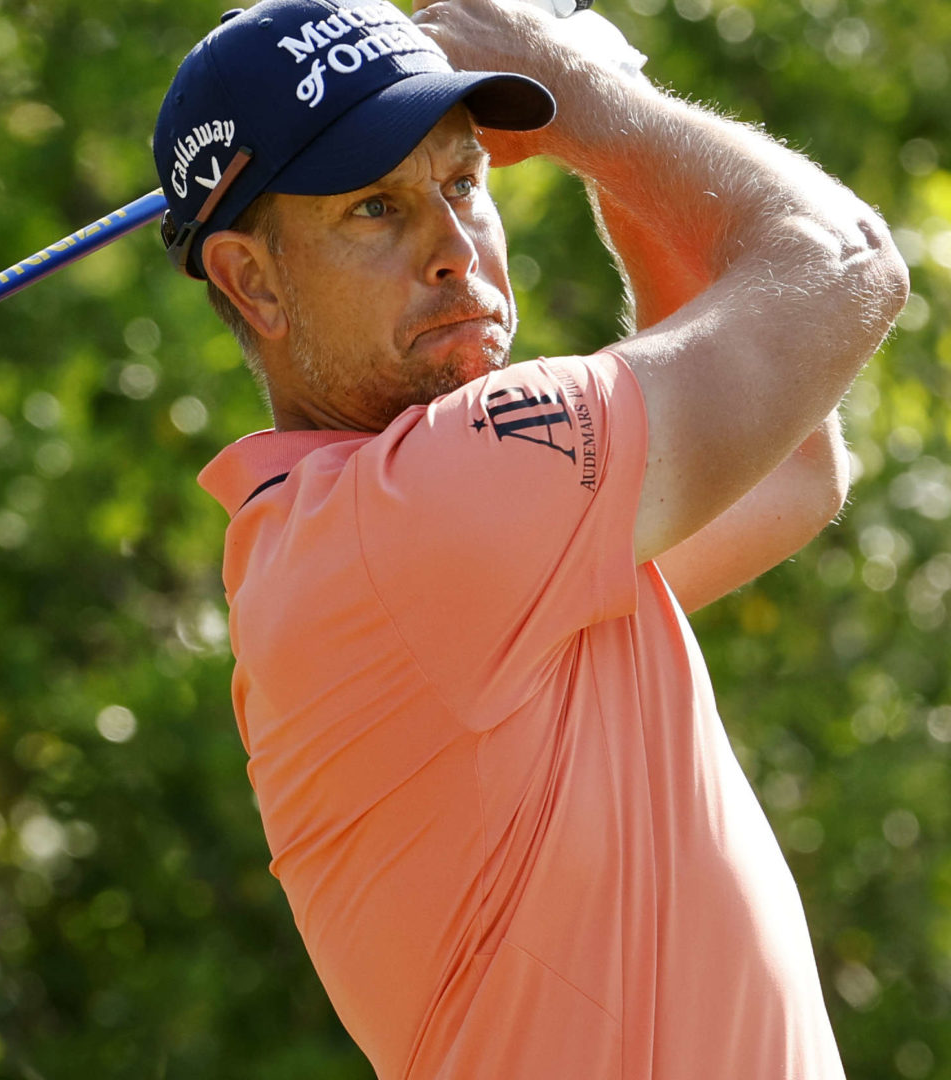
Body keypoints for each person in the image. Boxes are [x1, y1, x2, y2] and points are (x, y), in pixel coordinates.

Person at [153, 0, 909, 1076]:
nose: (456, 250)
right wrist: (601, 108)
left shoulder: (406, 540)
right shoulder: (429, 508)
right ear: (253, 281)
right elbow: (845, 265)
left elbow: (789, 468)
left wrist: (612, 146)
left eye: (464, 183)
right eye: (377, 208)